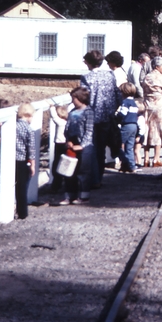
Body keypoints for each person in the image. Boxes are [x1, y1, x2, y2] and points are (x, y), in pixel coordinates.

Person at [80, 49, 122, 185]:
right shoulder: (109, 75)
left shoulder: (86, 77)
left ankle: (94, 179)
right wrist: (112, 110)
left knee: (91, 148)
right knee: (101, 148)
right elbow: (117, 94)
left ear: (88, 62)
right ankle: (99, 178)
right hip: (107, 117)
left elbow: (83, 97)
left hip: (91, 118)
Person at [62, 86, 96, 205]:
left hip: (85, 145)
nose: (72, 101)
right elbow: (67, 128)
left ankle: (84, 195)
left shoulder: (89, 112)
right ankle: (69, 195)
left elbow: (89, 131)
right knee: (68, 170)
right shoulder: (72, 112)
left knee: (83, 171)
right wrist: (68, 140)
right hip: (72, 142)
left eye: (74, 98)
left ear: (80, 98)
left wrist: (82, 145)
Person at [141, 56, 162, 167]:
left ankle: (145, 159)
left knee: (148, 131)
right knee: (158, 132)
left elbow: (143, 91)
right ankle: (156, 159)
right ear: (157, 66)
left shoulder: (147, 77)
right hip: (160, 106)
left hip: (148, 106)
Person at [14, 103, 37, 219]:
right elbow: (31, 149)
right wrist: (32, 165)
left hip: (12, 160)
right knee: (22, 188)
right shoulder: (28, 129)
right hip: (23, 160)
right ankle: (22, 212)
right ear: (28, 115)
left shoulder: (13, 126)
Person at [116, 82, 142, 173]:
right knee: (129, 147)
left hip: (126, 125)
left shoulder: (125, 102)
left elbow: (123, 114)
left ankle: (125, 162)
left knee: (117, 144)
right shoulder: (134, 103)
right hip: (134, 126)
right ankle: (131, 166)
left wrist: (116, 119)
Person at [48, 103, 69, 193]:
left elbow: (54, 117)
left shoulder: (60, 122)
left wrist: (52, 107)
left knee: (56, 163)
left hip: (59, 144)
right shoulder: (67, 122)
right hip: (65, 144)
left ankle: (56, 185)